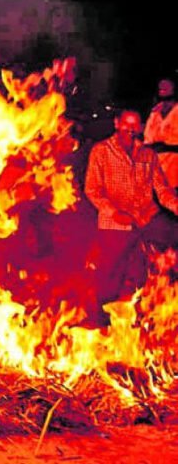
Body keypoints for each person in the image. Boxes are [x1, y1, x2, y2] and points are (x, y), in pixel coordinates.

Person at [84, 109, 178, 323]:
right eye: (126, 124)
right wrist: (115, 213)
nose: (131, 130)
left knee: (169, 245)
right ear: (117, 123)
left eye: (135, 126)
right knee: (109, 277)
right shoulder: (101, 151)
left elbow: (162, 191)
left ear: (142, 127)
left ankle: (153, 316)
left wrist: (175, 205)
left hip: (147, 218)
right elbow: (92, 190)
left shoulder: (148, 154)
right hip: (115, 223)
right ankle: (102, 323)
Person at [145, 77, 178, 188]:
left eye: (166, 86)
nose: (162, 87)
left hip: (173, 165)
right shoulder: (155, 112)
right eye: (160, 87)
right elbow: (148, 137)